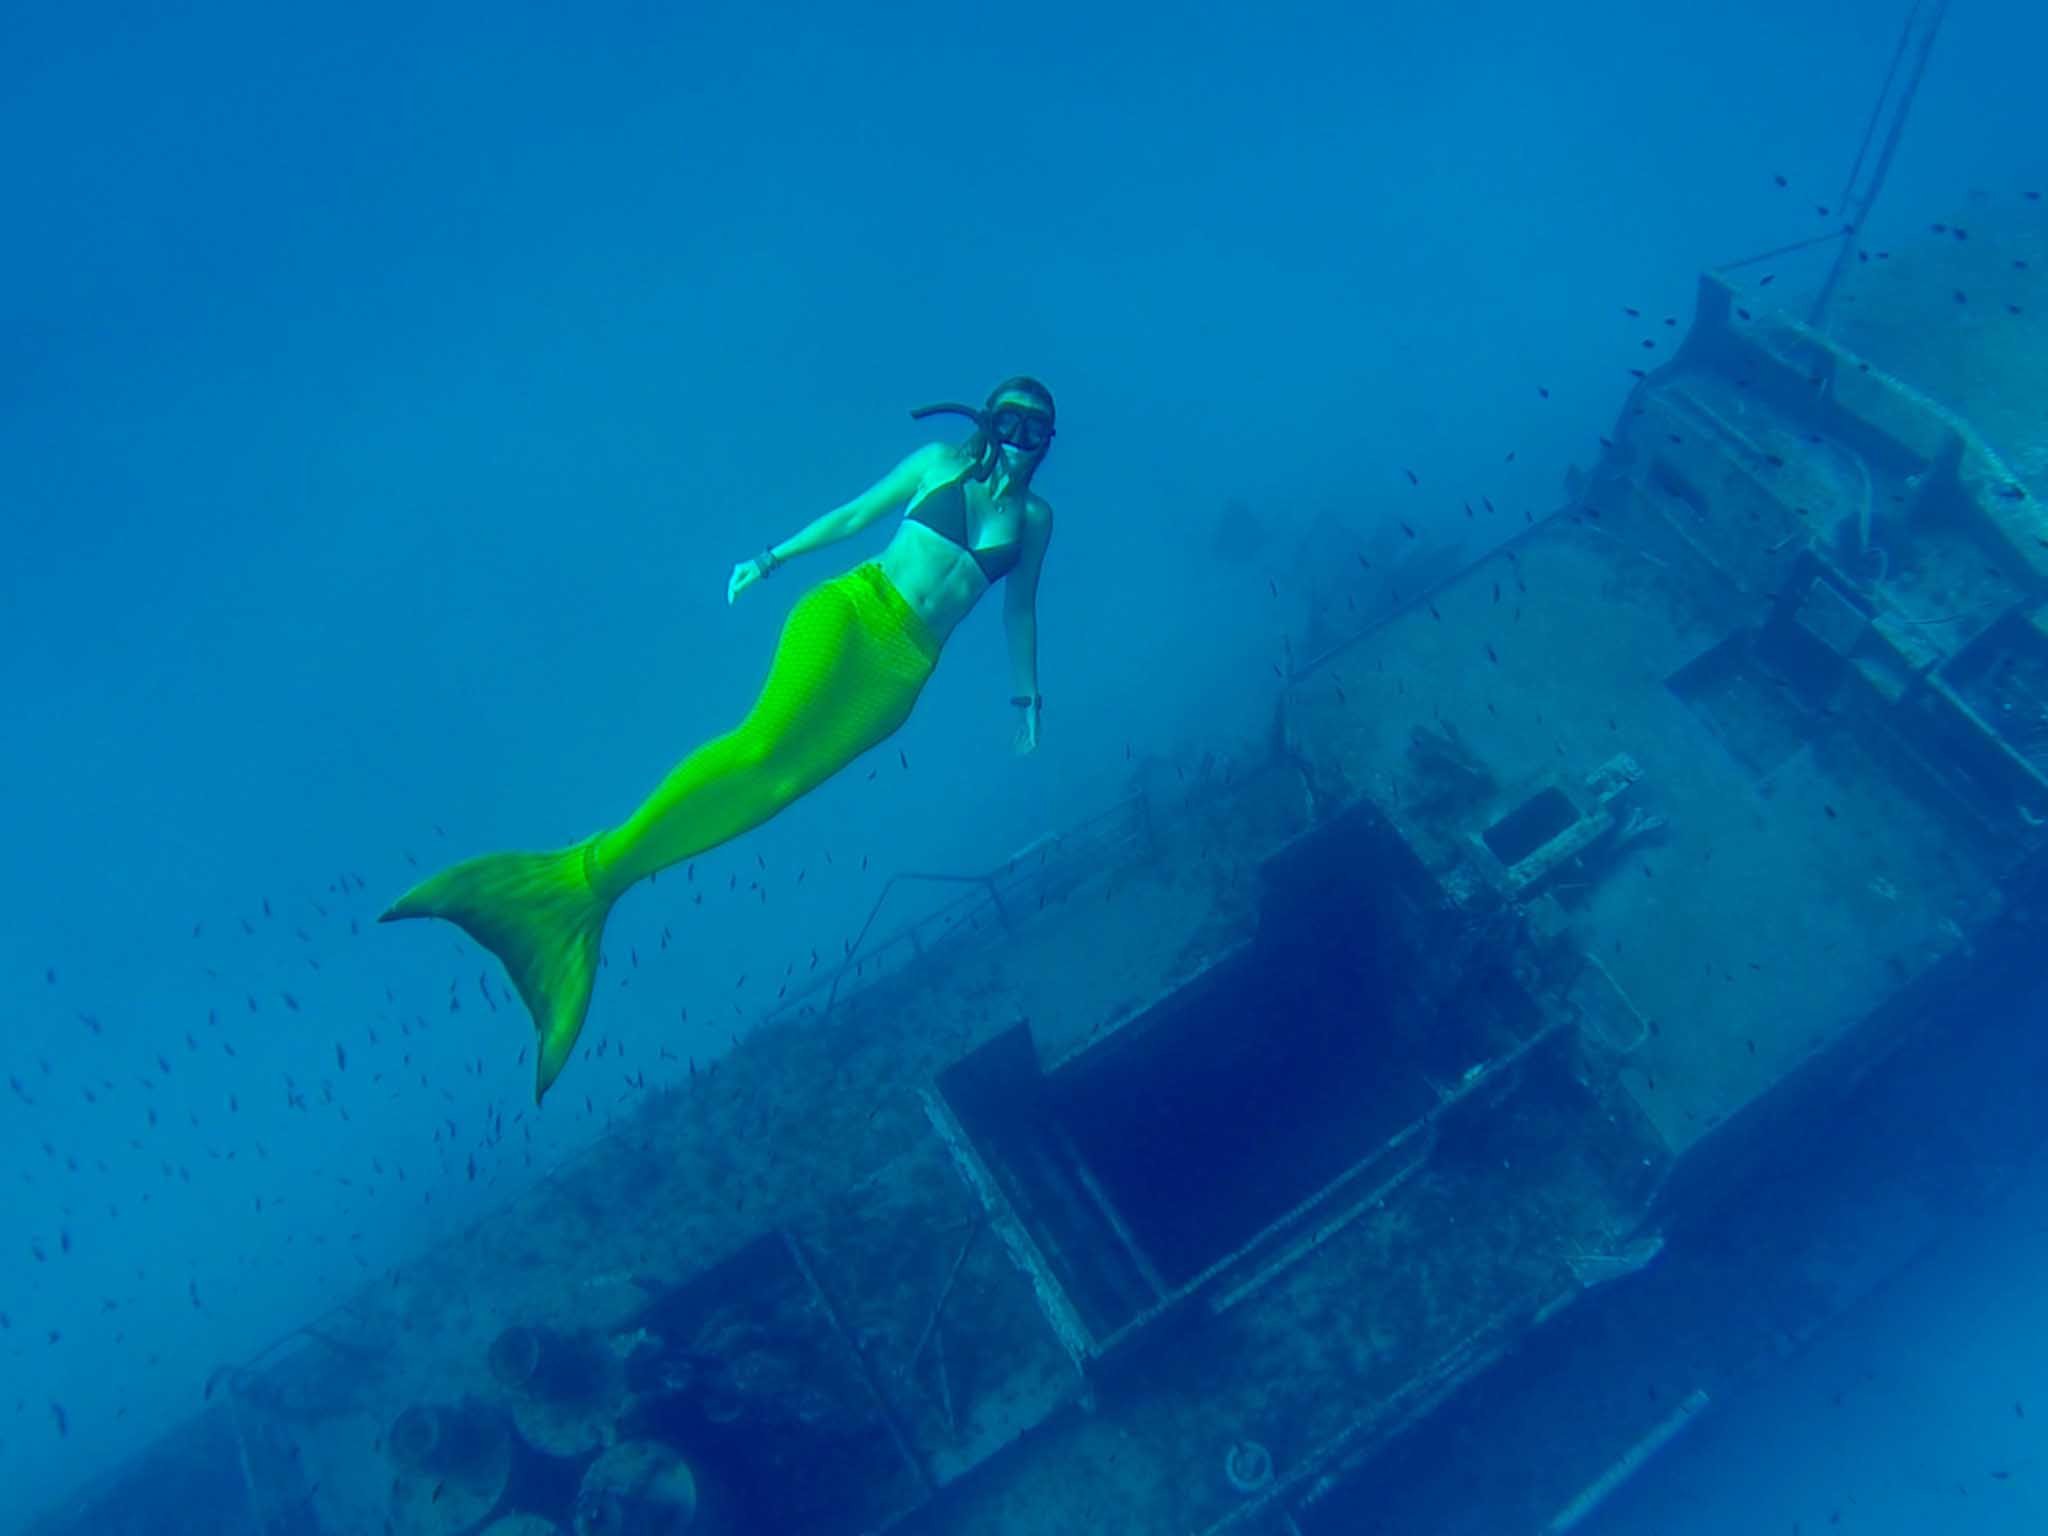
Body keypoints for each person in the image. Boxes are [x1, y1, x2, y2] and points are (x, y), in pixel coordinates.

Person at [381, 377, 1057, 1102]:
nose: (1020, 443)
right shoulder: (936, 463)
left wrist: (1026, 694)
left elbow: (1019, 610)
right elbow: (857, 514)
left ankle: (584, 895)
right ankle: (582, 873)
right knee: (760, 747)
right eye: (1012, 423)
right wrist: (770, 560)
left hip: (904, 671)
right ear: (988, 420)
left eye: (1037, 432)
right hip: (853, 612)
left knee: (777, 789)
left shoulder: (1036, 520)